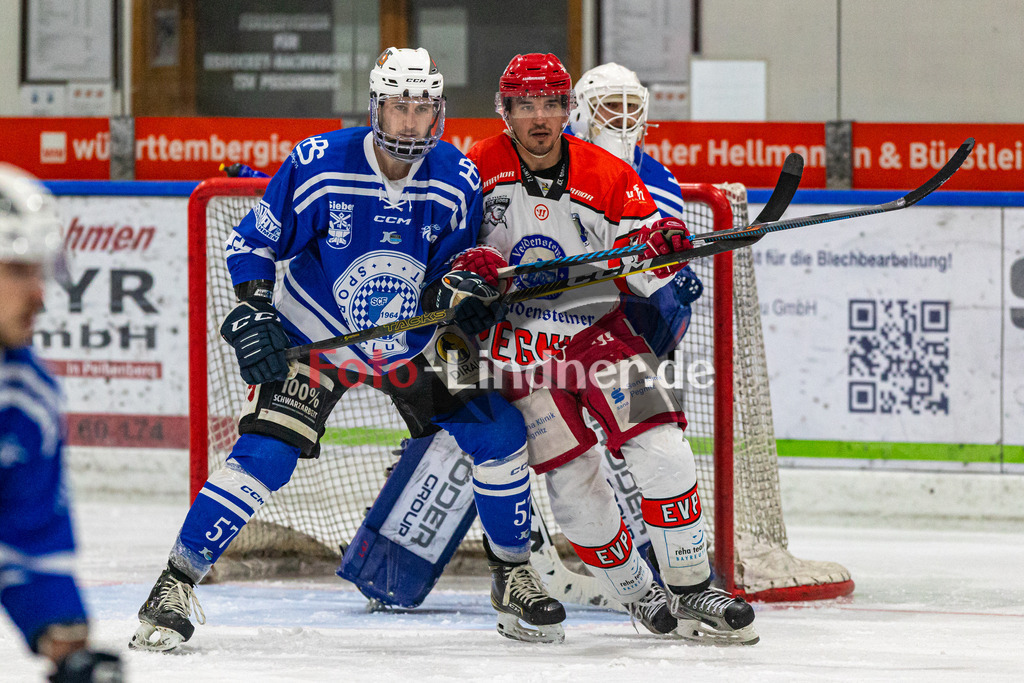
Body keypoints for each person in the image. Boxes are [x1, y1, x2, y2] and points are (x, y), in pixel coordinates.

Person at [129, 47, 564, 651]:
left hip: (411, 345)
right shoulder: (318, 161)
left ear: (437, 111)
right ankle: (174, 583)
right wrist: (255, 307)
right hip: (318, 340)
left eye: (422, 109)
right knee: (266, 456)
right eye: (398, 107)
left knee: (498, 433)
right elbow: (251, 244)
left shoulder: (458, 178)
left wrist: (468, 293)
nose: (410, 122)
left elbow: (455, 270)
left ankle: (511, 573)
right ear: (375, 107)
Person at [461, 53, 758, 644]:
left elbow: (646, 268)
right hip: (519, 357)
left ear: (567, 111)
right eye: (526, 105)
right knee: (575, 488)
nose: (539, 118)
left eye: (550, 104)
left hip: (599, 333)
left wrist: (663, 250)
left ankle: (693, 585)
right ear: (506, 111)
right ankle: (637, 592)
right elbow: (445, 253)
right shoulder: (476, 170)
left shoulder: (608, 173)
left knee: (665, 451)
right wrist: (470, 273)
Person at [0, 163, 124, 681]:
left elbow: (29, 543)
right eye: (16, 269)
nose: (40, 295)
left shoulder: (24, 399)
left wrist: (70, 651)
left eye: (40, 270)